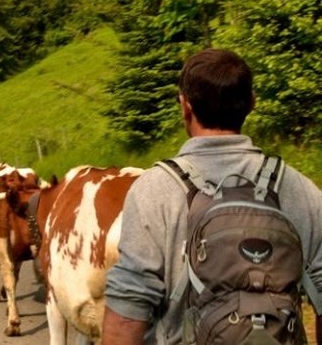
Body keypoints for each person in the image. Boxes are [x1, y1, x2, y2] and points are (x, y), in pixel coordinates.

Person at [101, 48, 322, 344]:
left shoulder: (153, 191)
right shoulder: (296, 189)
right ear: (252, 103)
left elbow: (128, 311)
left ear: (185, 106)